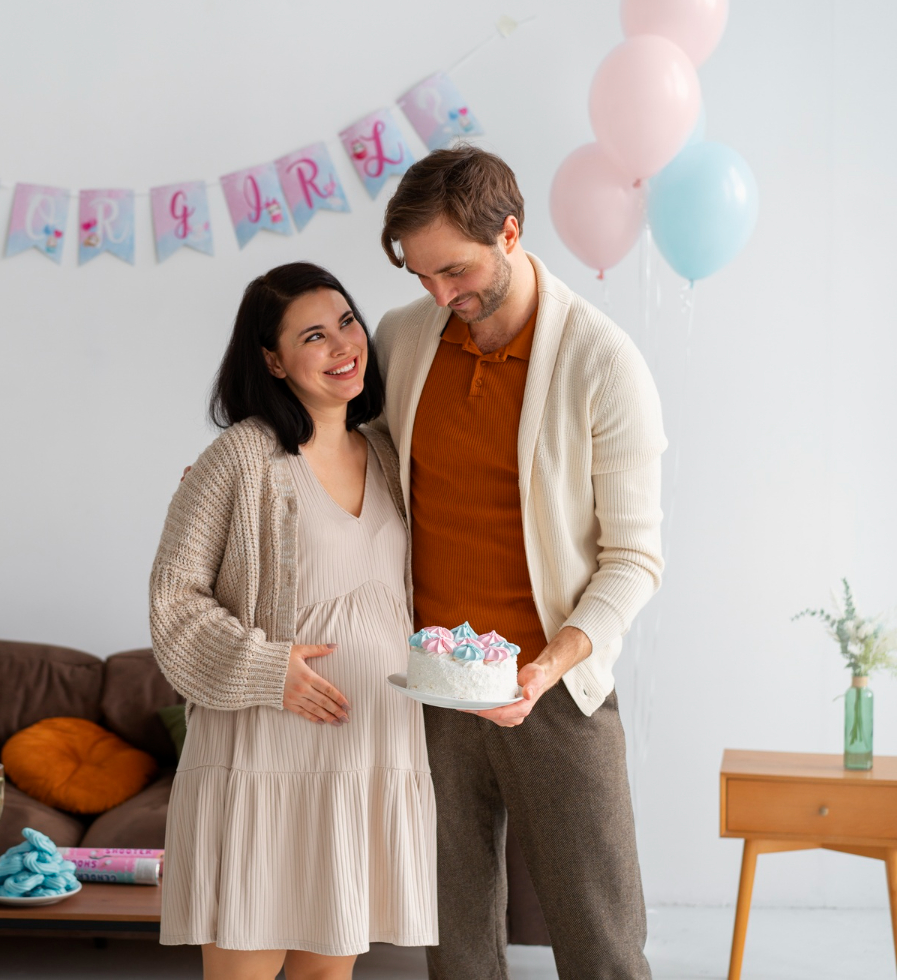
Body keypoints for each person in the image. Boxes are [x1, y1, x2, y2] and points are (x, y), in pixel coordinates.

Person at [371, 145, 665, 980]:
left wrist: (549, 667)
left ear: (510, 232)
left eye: (454, 272)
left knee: (602, 942)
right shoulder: (403, 338)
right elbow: (352, 456)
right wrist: (250, 465)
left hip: (554, 690)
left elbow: (635, 558)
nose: (439, 296)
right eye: (420, 275)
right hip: (433, 684)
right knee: (454, 947)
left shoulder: (602, 363)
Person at [149, 262, 436, 980]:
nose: (344, 344)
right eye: (314, 335)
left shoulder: (388, 453)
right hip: (265, 761)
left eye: (346, 322)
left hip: (360, 757)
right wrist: (269, 671)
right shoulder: (239, 460)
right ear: (272, 360)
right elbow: (172, 602)